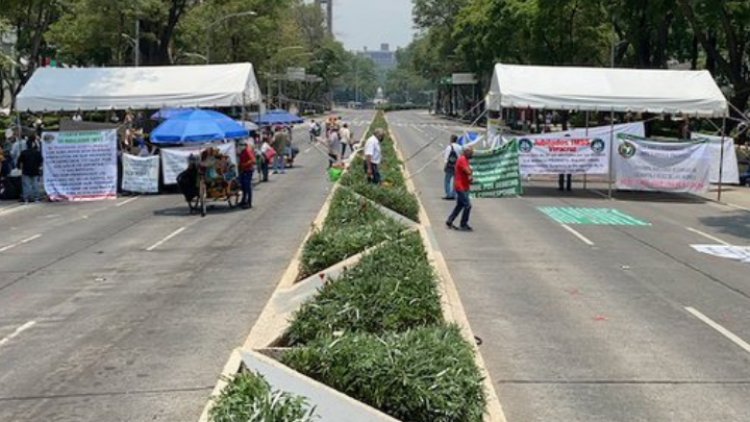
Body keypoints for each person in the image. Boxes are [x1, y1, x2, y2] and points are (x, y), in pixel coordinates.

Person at [446, 146, 474, 231]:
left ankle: (450, 220)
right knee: (468, 205)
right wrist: (471, 171)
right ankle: (463, 224)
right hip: (460, 186)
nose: (472, 154)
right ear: (466, 152)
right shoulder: (462, 160)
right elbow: (467, 171)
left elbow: (467, 173)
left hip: (464, 186)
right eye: (471, 152)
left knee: (460, 205)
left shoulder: (465, 160)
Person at [17, 138, 43, 203]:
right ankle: (36, 198)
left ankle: (26, 198)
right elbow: (41, 161)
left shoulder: (24, 152)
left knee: (26, 185)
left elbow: (19, 161)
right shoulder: (37, 153)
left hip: (26, 170)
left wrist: (19, 168)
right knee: (35, 185)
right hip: (35, 170)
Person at [443, 135, 462, 200]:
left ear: (451, 139)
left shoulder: (449, 147)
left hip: (450, 166)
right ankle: (454, 194)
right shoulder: (460, 147)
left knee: (447, 180)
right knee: (456, 181)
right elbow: (461, 157)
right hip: (457, 167)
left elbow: (446, 157)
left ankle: (448, 194)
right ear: (456, 140)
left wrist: (445, 165)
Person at [239, 141, 256, 209]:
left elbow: (253, 160)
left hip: (248, 170)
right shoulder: (242, 152)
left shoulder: (247, 151)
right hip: (243, 170)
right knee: (243, 186)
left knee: (247, 186)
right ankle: (243, 200)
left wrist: (245, 164)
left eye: (241, 145)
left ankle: (249, 202)